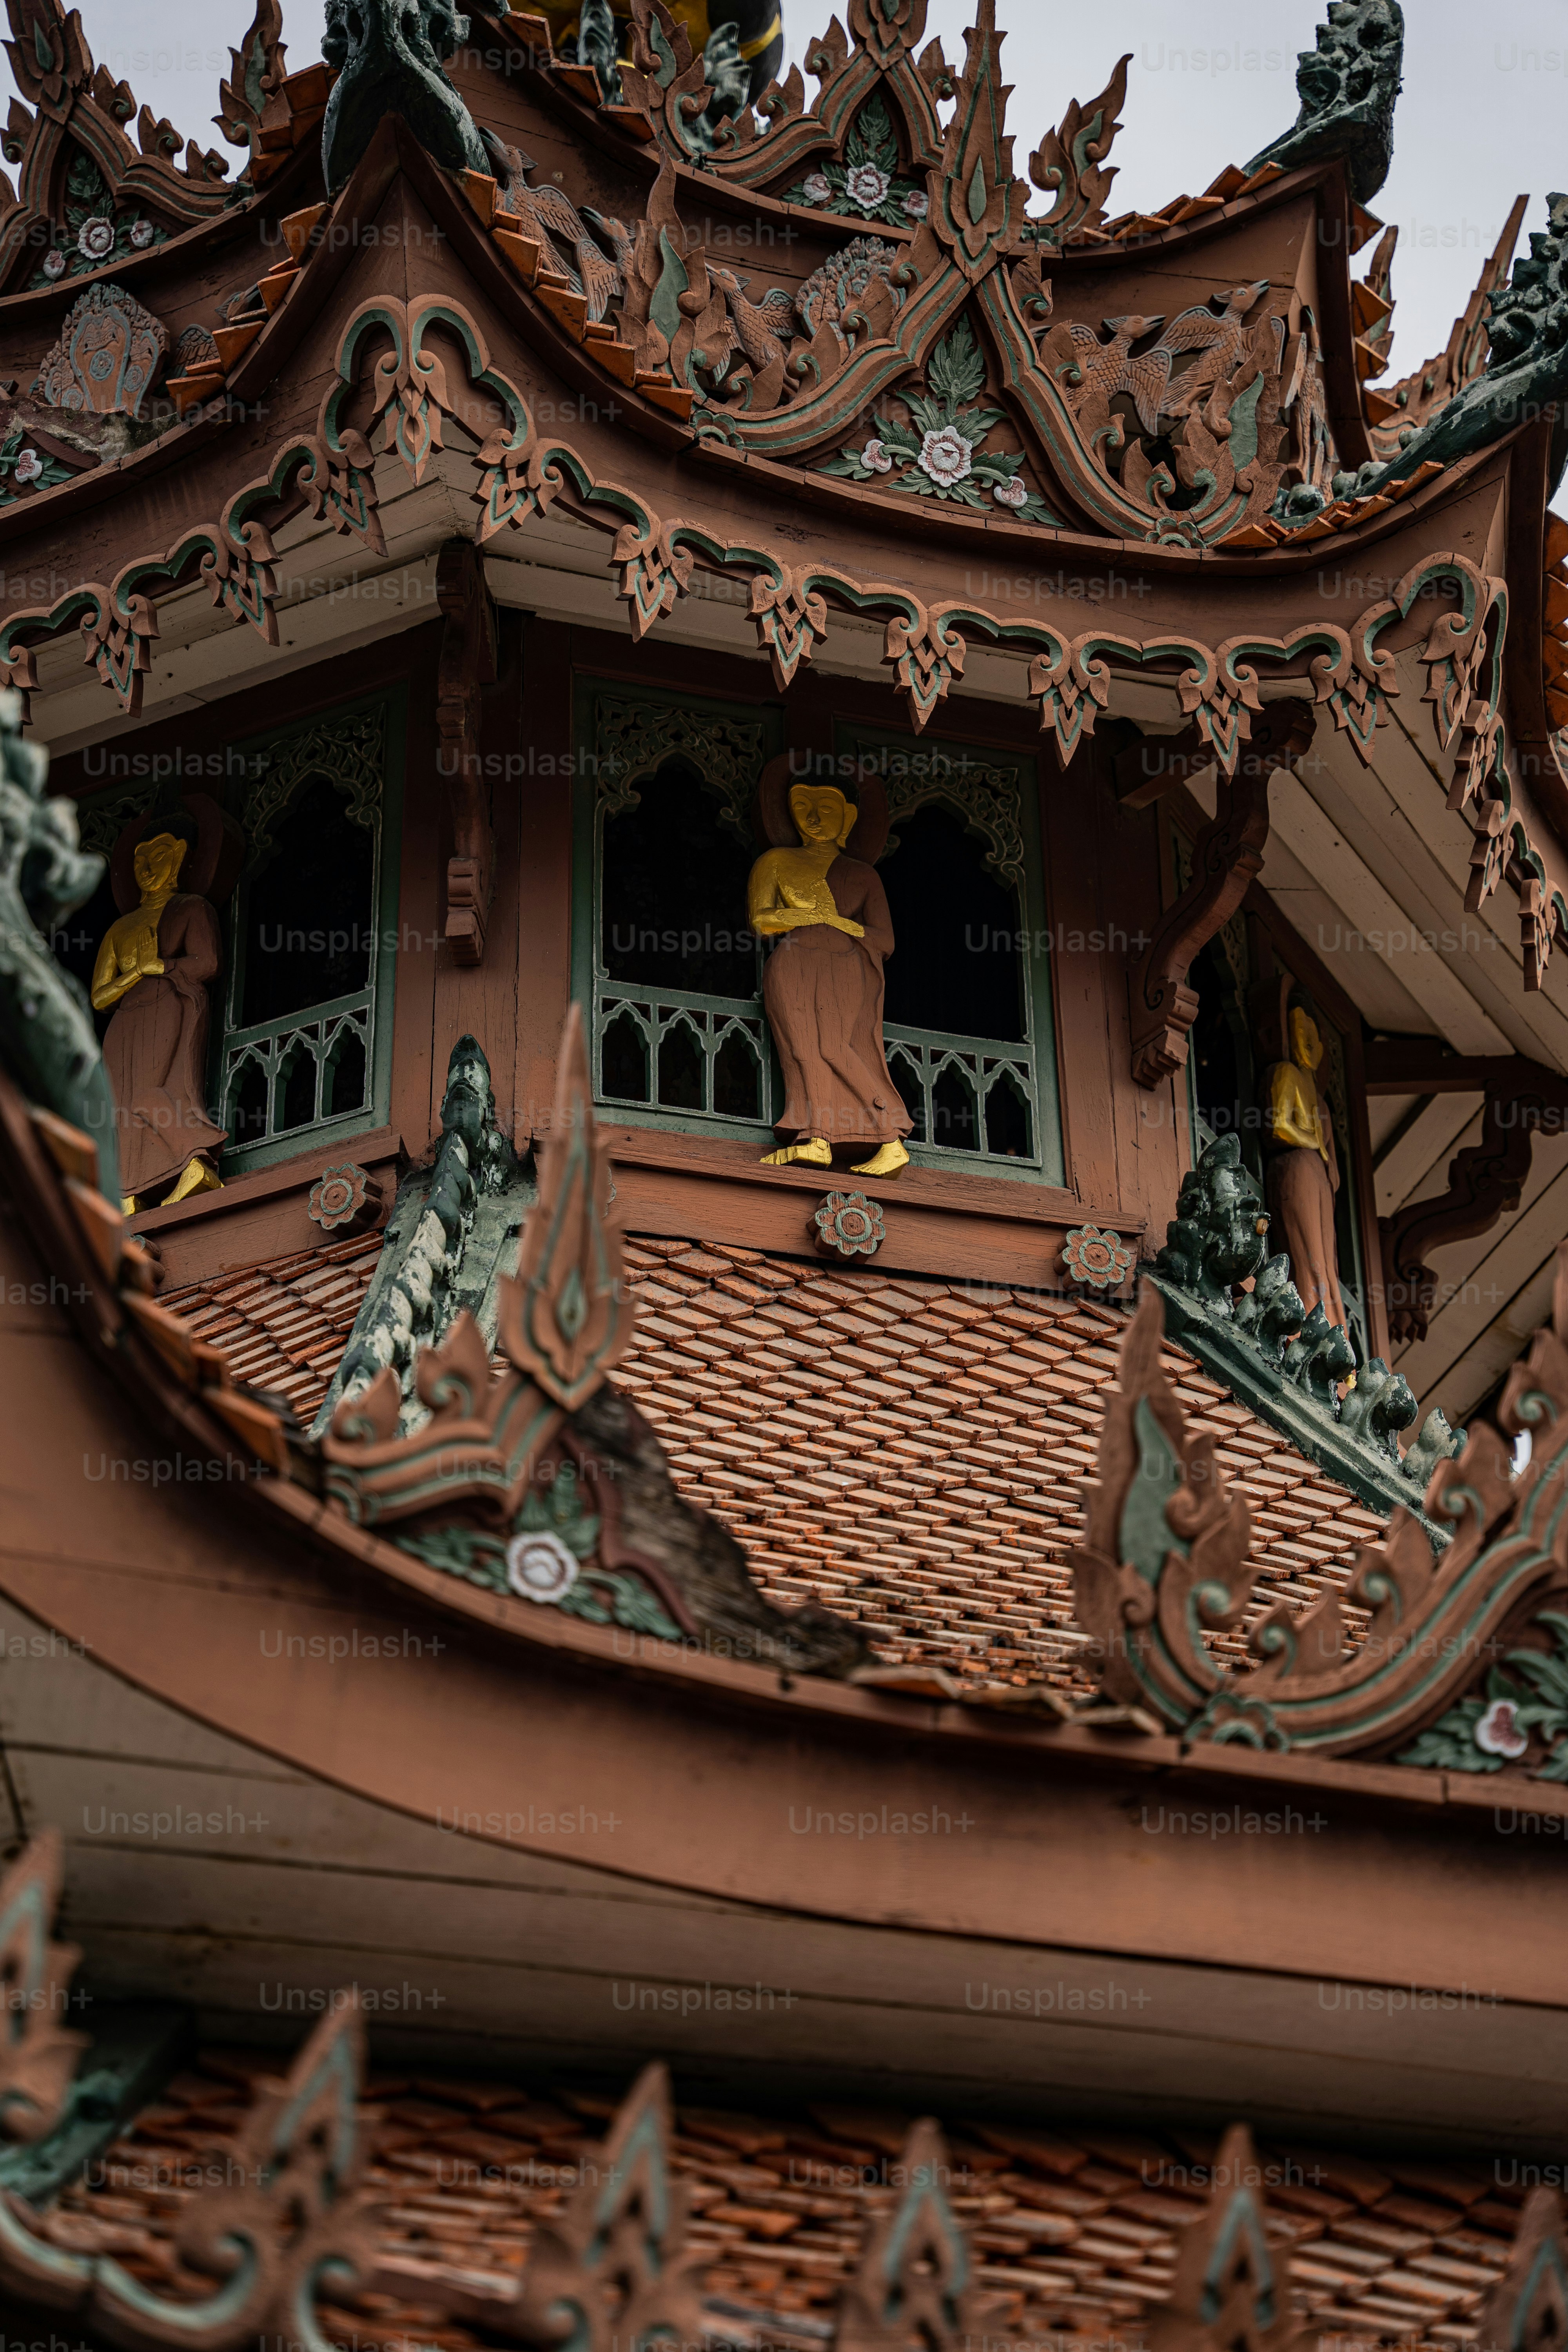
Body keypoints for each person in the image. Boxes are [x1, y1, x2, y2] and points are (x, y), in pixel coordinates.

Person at [746, 782, 911, 1177]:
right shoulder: (777, 861)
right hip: (793, 961)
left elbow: (884, 939)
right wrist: (810, 917)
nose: (815, 818)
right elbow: (762, 920)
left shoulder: (861, 875)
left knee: (836, 1047)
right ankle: (818, 1137)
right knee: (803, 1050)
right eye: (803, 807)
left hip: (843, 965)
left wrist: (839, 924)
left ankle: (890, 1139)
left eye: (827, 809)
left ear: (848, 819)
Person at [92, 830, 227, 1211]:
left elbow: (208, 964)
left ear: (180, 857)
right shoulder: (121, 929)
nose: (149, 868)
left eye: (160, 856)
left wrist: (164, 966)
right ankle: (128, 1194)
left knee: (148, 1095)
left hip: (166, 1005)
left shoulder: (191, 908)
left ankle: (197, 1160)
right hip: (124, 1021)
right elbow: (100, 997)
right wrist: (136, 974)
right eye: (140, 862)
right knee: (121, 1103)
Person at [1263, 1005, 1347, 1330]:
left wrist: (1325, 1155)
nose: (1309, 1045)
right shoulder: (1287, 1074)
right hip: (1296, 1167)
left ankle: (1335, 1329)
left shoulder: (1322, 1104)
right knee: (1308, 1254)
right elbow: (1279, 1127)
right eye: (1302, 1035)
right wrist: (1313, 1143)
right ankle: (1311, 1324)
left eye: (1314, 1039)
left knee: (1328, 1262)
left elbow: (1334, 1167)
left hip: (1319, 1176)